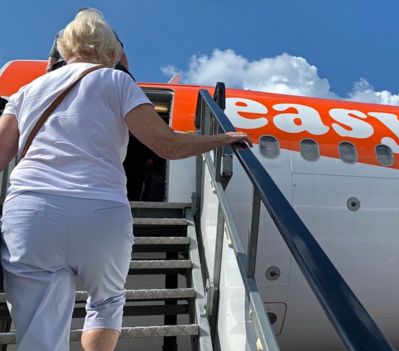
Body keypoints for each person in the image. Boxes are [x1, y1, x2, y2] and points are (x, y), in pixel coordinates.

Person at [0, 9, 251, 351]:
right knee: (106, 304)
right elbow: (167, 145)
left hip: (31, 211)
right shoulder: (118, 81)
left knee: (38, 329)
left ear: (63, 47)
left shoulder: (25, 93)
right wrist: (220, 140)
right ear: (114, 53)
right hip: (100, 210)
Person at [46, 8, 132, 80]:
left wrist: (50, 73)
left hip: (66, 67)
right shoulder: (108, 32)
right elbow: (120, 54)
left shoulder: (63, 32)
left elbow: (53, 56)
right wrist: (125, 74)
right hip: (102, 68)